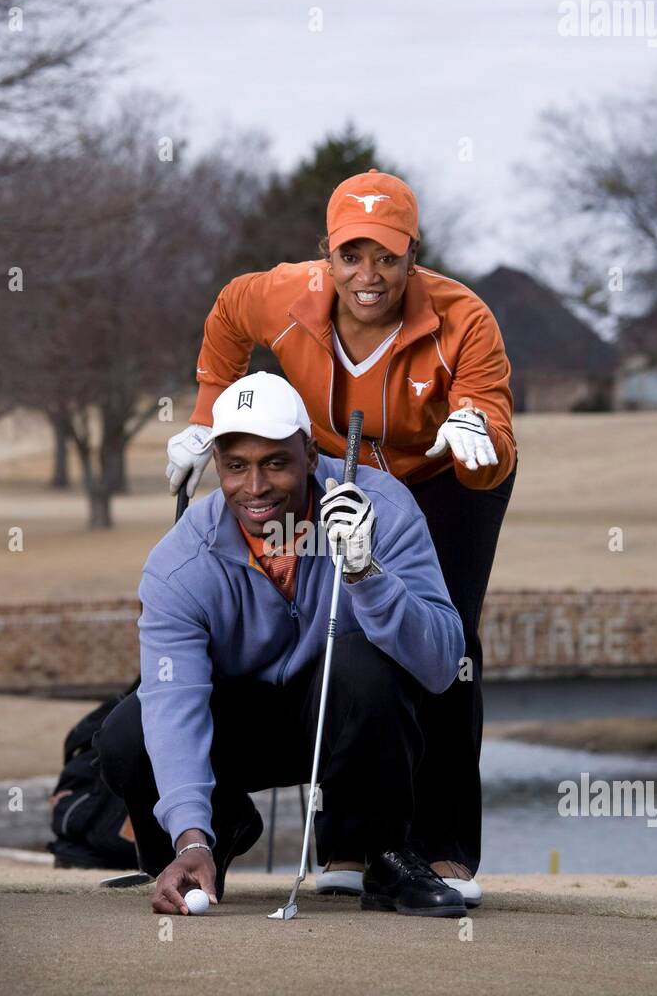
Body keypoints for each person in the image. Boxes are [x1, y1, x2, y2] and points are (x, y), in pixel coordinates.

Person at [164, 169, 517, 905]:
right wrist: (206, 415)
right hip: (327, 467)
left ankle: (441, 847)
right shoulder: (282, 295)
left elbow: (495, 446)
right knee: (344, 631)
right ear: (325, 252)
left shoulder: (465, 318)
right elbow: (229, 313)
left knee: (445, 639)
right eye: (352, 255)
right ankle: (351, 845)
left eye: (387, 256)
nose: (369, 275)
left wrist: (475, 436)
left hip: (442, 474)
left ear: (413, 255)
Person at [96, 372, 468, 918]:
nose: (255, 487)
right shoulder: (178, 565)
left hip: (344, 721)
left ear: (311, 454)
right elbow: (174, 705)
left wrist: (368, 575)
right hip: (239, 730)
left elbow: (440, 663)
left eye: (275, 462)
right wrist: (191, 835)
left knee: (366, 660)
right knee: (126, 733)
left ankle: (387, 856)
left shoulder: (383, 507)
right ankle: (208, 838)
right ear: (217, 466)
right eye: (235, 466)